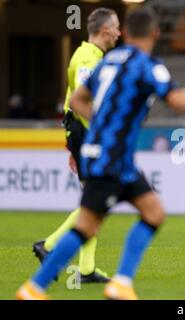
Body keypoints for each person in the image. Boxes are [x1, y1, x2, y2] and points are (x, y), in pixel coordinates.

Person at [17, 5, 185, 300]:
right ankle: (37, 287)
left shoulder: (109, 62)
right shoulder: (147, 65)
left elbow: (78, 99)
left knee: (152, 212)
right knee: (88, 225)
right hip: (113, 158)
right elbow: (180, 102)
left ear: (128, 33)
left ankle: (116, 283)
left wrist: (101, 127)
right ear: (156, 33)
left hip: (107, 154)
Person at [31, 7, 121, 283]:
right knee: (94, 203)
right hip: (87, 135)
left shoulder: (92, 56)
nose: (119, 32)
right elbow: (81, 105)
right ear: (105, 30)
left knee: (94, 202)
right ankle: (48, 246)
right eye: (116, 27)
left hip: (83, 136)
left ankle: (86, 268)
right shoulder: (87, 58)